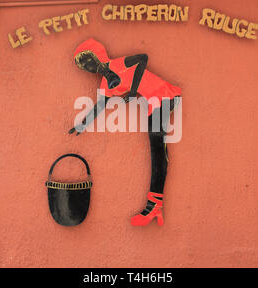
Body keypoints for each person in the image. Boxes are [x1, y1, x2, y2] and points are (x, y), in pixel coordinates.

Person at [70, 38, 181, 226]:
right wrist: (82, 124)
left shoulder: (119, 64)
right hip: (152, 103)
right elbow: (101, 105)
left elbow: (142, 58)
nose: (88, 68)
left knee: (157, 152)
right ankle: (155, 205)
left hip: (164, 95)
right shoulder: (105, 84)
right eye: (84, 67)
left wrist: (133, 91)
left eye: (88, 61)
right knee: (157, 151)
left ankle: (154, 206)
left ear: (97, 55)